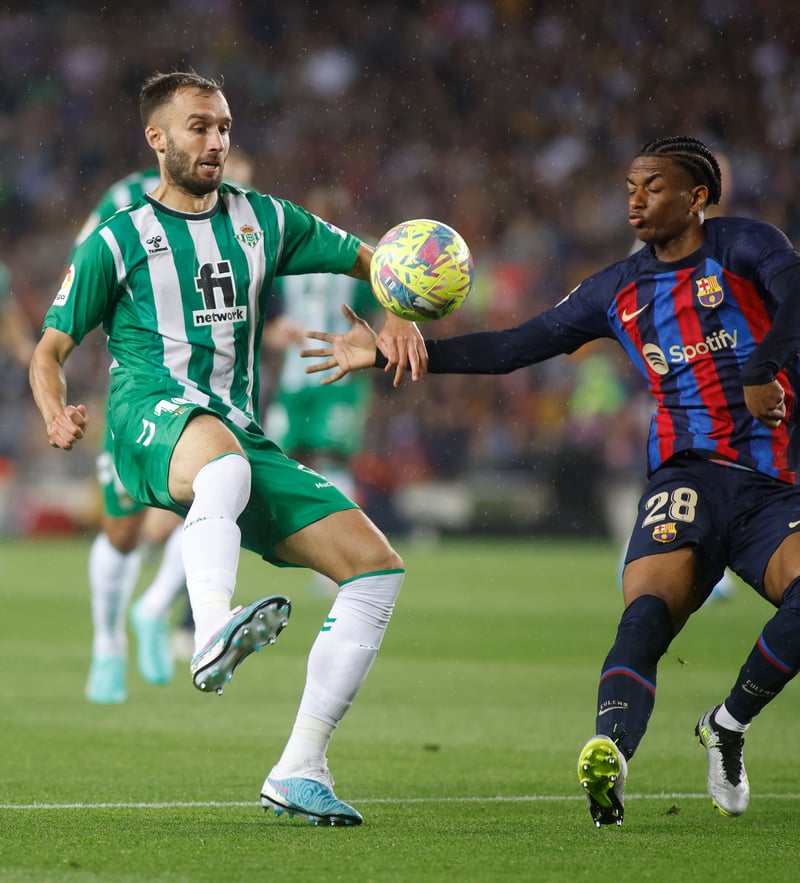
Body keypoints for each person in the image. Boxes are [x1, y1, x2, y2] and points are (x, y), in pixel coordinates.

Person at [302, 135, 800, 826]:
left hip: (776, 483)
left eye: (654, 186)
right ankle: (612, 752)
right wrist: (396, 353)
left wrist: (760, 370)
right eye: (630, 186)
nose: (635, 199)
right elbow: (514, 347)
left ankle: (727, 723)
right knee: (646, 614)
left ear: (698, 197)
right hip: (687, 475)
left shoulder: (746, 246)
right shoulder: (617, 289)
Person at [29, 70, 427, 826]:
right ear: (157, 139)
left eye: (224, 127)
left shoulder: (263, 219)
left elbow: (371, 256)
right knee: (222, 462)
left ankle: (300, 767)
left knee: (375, 569)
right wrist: (55, 413)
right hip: (148, 416)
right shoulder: (118, 239)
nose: (216, 141)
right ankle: (209, 624)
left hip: (236, 433)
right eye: (199, 127)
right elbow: (49, 350)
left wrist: (399, 309)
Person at [78, 149, 257, 703]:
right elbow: (83, 274)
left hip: (213, 394)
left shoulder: (244, 215)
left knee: (208, 502)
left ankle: (155, 608)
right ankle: (108, 643)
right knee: (123, 530)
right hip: (143, 391)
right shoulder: (125, 200)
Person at [264, 185, 379, 595]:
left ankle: (328, 553)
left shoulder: (289, 261)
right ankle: (320, 550)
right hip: (319, 378)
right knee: (306, 462)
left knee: (315, 462)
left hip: (320, 378)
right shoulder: (351, 262)